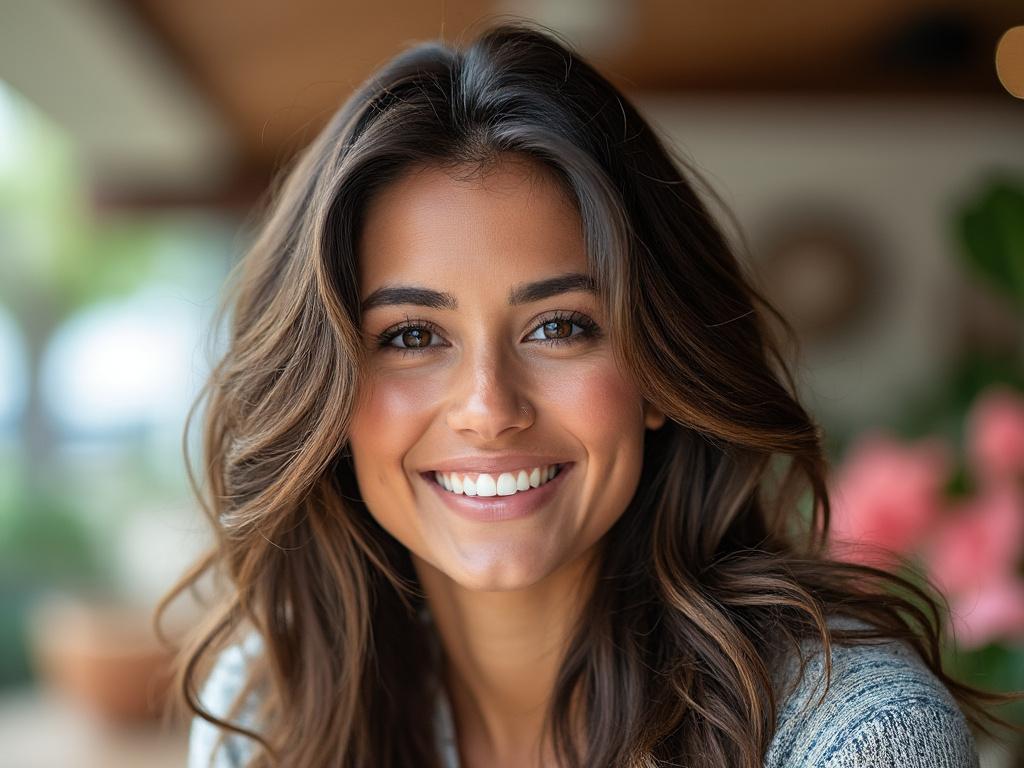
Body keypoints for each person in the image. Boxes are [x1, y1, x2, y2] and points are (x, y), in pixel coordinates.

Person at [157, 19, 1019, 768]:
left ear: (657, 369)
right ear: (327, 396)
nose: (490, 408)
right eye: (413, 337)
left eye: (560, 326)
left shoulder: (849, 734)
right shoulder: (269, 711)